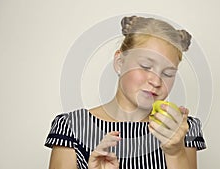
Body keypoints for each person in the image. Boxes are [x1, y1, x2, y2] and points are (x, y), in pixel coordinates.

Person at [44, 15, 206, 169]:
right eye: (145, 66)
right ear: (120, 62)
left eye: (168, 73)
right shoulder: (72, 127)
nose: (156, 82)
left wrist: (176, 153)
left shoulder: (183, 129)